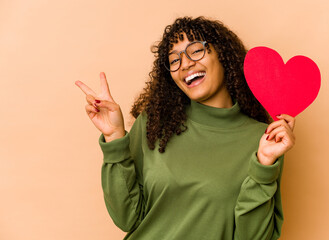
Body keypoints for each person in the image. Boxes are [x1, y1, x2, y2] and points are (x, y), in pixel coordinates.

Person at [75, 16, 296, 240]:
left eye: (196, 50)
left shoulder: (263, 140)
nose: (185, 63)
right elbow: (127, 217)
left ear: (223, 55)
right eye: (174, 60)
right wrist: (114, 138)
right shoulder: (154, 123)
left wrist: (264, 166)